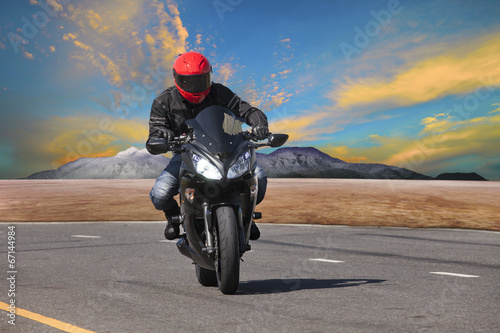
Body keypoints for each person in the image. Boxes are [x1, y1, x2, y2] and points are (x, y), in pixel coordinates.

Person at [146, 51, 269, 240]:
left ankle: (246, 216)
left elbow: (247, 110)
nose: (195, 87)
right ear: (176, 77)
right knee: (160, 194)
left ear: (209, 75)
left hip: (227, 149)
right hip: (186, 153)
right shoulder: (164, 101)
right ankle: (173, 217)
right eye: (188, 81)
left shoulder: (220, 92)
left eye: (200, 80)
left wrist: (259, 124)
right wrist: (161, 135)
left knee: (258, 178)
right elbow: (155, 130)